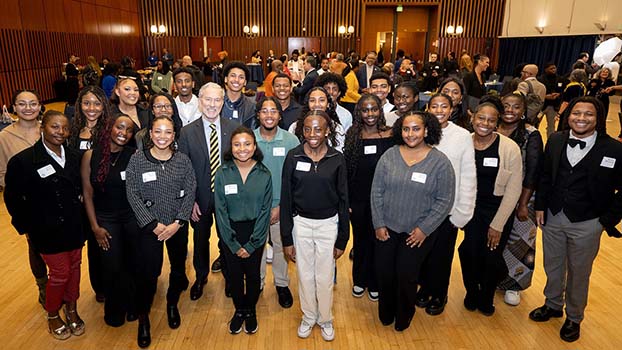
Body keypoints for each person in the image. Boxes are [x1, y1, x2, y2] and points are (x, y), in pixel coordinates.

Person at [531, 96, 622, 343]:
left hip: (588, 221)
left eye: (588, 114)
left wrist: (605, 220)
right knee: (553, 265)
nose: (581, 118)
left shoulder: (614, 149)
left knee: (579, 272)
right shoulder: (556, 140)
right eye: (576, 113)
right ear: (568, 115)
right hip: (553, 215)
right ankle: (552, 305)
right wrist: (540, 206)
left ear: (598, 118)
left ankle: (574, 317)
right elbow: (544, 176)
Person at [4, 110, 85, 340]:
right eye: (55, 127)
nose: (60, 132)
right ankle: (52, 313)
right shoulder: (24, 161)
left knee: (76, 268)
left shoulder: (73, 156)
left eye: (65, 128)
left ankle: (71, 308)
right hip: (46, 230)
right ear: (43, 128)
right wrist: (27, 229)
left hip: (73, 226)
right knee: (60, 273)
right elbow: (13, 199)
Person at [371, 110, 455, 331]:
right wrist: (379, 223)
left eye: (416, 128)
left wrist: (424, 230)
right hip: (387, 228)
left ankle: (404, 315)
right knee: (385, 272)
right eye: (406, 129)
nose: (410, 134)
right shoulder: (389, 155)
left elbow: (445, 200)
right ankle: (386, 311)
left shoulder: (440, 162)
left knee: (407, 275)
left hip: (417, 233)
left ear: (426, 130)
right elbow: (376, 192)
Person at [125, 115, 196, 348]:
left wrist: (178, 222)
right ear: (150, 134)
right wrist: (152, 224)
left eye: (168, 132)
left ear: (174, 135)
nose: (163, 136)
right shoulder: (137, 161)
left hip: (176, 226)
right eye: (158, 131)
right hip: (149, 228)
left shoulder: (183, 161)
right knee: (149, 273)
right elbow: (132, 193)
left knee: (178, 268)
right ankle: (143, 317)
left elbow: (190, 189)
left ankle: (172, 303)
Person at [281, 110, 349, 342]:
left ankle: (325, 318)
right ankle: (309, 316)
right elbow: (287, 198)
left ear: (327, 130)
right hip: (300, 225)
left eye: (318, 129)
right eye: (308, 129)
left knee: (325, 276)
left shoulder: (337, 159)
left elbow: (344, 200)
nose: (312, 134)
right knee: (304, 275)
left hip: (328, 226)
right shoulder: (293, 157)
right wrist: (287, 239)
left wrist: (342, 238)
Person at [459, 102, 523, 316]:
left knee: (491, 257)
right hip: (470, 209)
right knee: (468, 251)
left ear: (497, 123)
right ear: (472, 118)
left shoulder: (508, 148)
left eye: (491, 120)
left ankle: (486, 295)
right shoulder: (464, 143)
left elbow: (514, 190)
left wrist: (497, 225)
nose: (485, 123)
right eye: (481, 118)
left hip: (498, 210)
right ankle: (471, 291)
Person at [416, 93, 476, 316]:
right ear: (427, 108)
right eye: (434, 106)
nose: (439, 110)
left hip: (448, 210)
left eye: (444, 106)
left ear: (452, 110)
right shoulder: (420, 131)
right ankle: (424, 288)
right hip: (421, 209)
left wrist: (462, 211)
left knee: (442, 256)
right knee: (421, 253)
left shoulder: (462, 136)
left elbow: (469, 175)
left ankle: (439, 293)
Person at [178, 82, 238, 301]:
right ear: (200, 101)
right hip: (199, 200)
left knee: (228, 239)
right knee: (200, 240)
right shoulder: (186, 132)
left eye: (217, 100)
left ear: (223, 102)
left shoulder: (233, 129)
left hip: (228, 199)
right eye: (208, 100)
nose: (212, 104)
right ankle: (201, 277)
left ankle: (230, 276)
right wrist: (190, 200)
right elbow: (183, 169)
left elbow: (237, 166)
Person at [81, 114, 138, 327]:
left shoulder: (134, 155)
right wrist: (95, 227)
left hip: (131, 218)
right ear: (109, 128)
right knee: (112, 267)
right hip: (105, 219)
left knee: (132, 264)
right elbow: (87, 194)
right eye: (119, 127)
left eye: (129, 130)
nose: (123, 133)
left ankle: (133, 305)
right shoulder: (90, 156)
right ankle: (114, 310)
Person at [215, 126, 272, 334]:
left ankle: (251, 310)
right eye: (237, 144)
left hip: (255, 232)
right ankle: (239, 310)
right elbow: (220, 210)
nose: (242, 149)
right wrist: (231, 242)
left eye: (247, 144)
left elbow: (266, 210)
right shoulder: (222, 173)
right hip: (230, 232)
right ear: (231, 147)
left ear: (254, 146)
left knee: (253, 274)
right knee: (235, 275)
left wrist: (253, 242)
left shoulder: (264, 174)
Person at [344, 94, 393, 301]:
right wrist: (347, 201)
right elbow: (347, 170)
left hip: (385, 199)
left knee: (379, 242)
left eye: (374, 109)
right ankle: (359, 280)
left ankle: (375, 282)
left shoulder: (390, 134)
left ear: (380, 111)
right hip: (359, 199)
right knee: (361, 241)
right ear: (359, 112)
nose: (370, 114)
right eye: (365, 110)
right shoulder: (353, 135)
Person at [496, 92, 544, 306]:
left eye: (516, 107)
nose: (510, 110)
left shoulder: (531, 135)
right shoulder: (489, 128)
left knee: (520, 243)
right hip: (494, 196)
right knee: (494, 241)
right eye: (505, 105)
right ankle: (492, 279)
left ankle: (514, 285)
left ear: (523, 111)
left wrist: (523, 203)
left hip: (523, 197)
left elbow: (533, 171)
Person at [0, 90, 47, 306]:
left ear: (40, 106)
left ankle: (60, 284)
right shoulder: (4, 137)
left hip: (55, 198)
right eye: (22, 104)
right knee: (35, 245)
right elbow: (2, 174)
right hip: (27, 203)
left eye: (33, 103)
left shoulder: (49, 129)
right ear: (13, 107)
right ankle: (43, 286)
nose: (28, 108)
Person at [254, 97, 300, 308]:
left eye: (274, 111)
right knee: (258, 247)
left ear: (280, 115)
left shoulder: (291, 141)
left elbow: (297, 178)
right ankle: (259, 283)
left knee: (282, 246)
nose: (269, 115)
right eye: (265, 111)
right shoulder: (249, 140)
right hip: (256, 207)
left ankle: (282, 284)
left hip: (283, 206)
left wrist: (281, 206)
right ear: (258, 115)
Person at [68, 86, 112, 302]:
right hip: (79, 199)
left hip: (104, 198)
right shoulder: (72, 131)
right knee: (90, 247)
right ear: (80, 105)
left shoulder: (110, 130)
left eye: (96, 103)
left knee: (105, 242)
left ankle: (113, 282)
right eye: (87, 103)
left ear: (104, 105)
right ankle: (100, 288)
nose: (91, 108)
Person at [289, 87, 346, 152]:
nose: (317, 104)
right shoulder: (295, 127)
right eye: (312, 100)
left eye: (321, 100)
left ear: (328, 104)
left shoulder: (337, 129)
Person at [221, 61, 256, 128]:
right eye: (233, 76)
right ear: (226, 79)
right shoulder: (217, 102)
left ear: (245, 82)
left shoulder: (252, 106)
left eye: (241, 77)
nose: (236, 80)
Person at [538, 62, 565, 137]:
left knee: (551, 126)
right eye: (551, 68)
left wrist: (558, 94)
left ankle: (550, 143)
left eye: (554, 68)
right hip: (542, 105)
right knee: (536, 124)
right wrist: (545, 96)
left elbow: (563, 91)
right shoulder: (540, 79)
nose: (553, 70)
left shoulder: (560, 79)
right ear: (546, 69)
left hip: (554, 106)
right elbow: (536, 93)